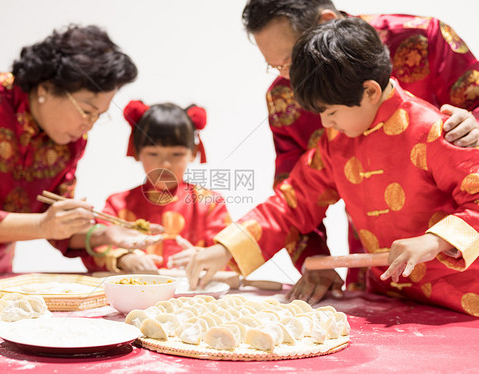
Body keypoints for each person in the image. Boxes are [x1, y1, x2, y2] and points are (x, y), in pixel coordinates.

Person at [187, 17, 479, 317]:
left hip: (461, 301)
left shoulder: (435, 130)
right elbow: (292, 202)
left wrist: (436, 240)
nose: (325, 123)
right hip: (390, 300)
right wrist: (225, 249)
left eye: (331, 112)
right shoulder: (336, 142)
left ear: (370, 92)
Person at [0, 24, 161, 275]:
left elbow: (57, 222)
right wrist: (45, 225)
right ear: (45, 88)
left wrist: (105, 233)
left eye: (99, 115)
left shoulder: (69, 138)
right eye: (87, 111)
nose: (89, 124)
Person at [82, 101, 231, 273]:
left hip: (194, 298)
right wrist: (124, 258)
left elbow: (231, 253)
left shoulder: (211, 203)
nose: (165, 164)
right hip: (133, 297)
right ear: (137, 152)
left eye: (176, 154)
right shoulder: (118, 204)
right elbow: (94, 247)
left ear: (193, 153)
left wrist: (204, 257)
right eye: (153, 154)